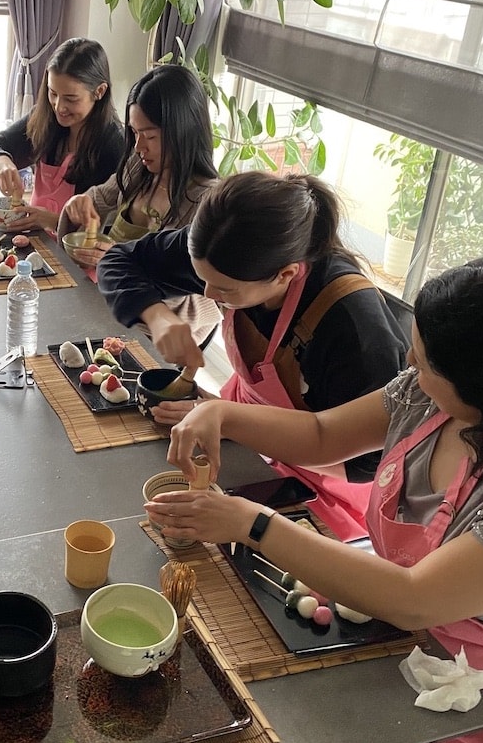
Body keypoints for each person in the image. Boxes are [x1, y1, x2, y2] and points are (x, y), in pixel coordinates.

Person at [148, 256, 483, 743]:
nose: (409, 361)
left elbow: (414, 597)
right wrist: (221, 413)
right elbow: (323, 436)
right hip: (398, 638)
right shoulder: (430, 400)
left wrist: (251, 523)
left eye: (425, 361)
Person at [99, 171, 409, 540]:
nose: (209, 293)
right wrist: (158, 315)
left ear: (285, 275)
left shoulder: (354, 328)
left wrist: (234, 424)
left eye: (226, 290)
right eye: (202, 279)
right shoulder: (222, 250)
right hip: (238, 434)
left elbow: (365, 460)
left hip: (319, 483)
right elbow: (120, 261)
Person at [59, 63, 220, 344]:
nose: (138, 146)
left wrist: (121, 265)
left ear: (183, 131)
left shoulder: (208, 202)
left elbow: (210, 302)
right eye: (134, 133)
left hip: (149, 338)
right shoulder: (139, 168)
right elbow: (98, 198)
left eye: (150, 136)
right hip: (101, 308)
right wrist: (78, 205)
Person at [0, 38, 122, 233]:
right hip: (36, 243)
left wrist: (53, 221)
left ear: (99, 92)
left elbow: (106, 233)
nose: (59, 107)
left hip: (75, 259)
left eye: (71, 99)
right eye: (52, 93)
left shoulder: (114, 147)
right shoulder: (45, 119)